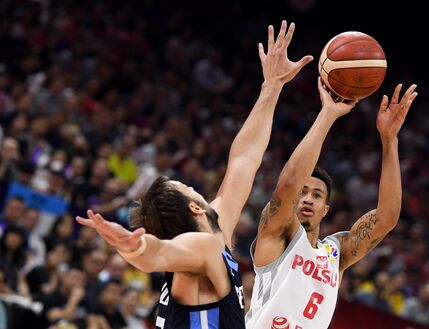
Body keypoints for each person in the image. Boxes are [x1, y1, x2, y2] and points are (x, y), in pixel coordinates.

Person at [75, 20, 313, 329]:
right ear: (195, 207)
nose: (193, 186)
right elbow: (158, 254)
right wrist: (134, 247)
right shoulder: (201, 247)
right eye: (186, 186)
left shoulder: (217, 233)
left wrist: (273, 85)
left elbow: (244, 158)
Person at [245, 80, 418, 329]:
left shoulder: (335, 253)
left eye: (317, 195)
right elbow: (289, 183)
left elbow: (386, 218)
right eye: (303, 193)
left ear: (325, 209)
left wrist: (389, 140)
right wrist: (327, 114)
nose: (307, 198)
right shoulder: (276, 234)